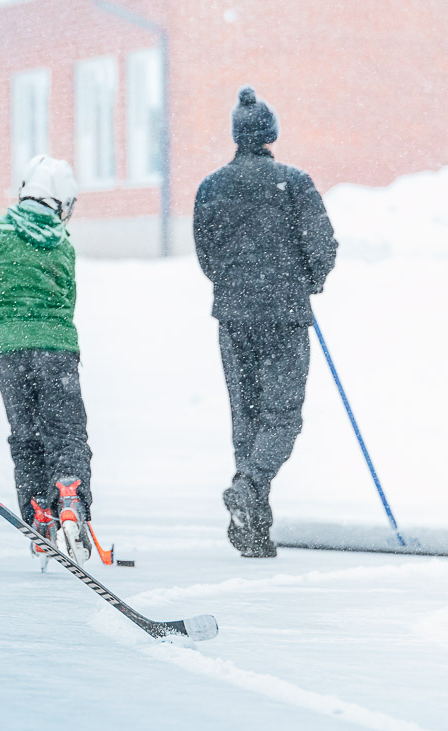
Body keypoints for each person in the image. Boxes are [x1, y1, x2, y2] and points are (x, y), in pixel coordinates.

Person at [193, 86, 338, 557]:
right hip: (283, 314)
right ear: (271, 134)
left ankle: (252, 530)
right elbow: (323, 243)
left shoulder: (211, 187)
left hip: (234, 316)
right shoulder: (293, 182)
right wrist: (307, 281)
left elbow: (206, 254)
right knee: (282, 417)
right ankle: (251, 487)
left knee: (247, 418)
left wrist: (236, 284)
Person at [0, 154, 96, 567]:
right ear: (63, 203)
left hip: (8, 350)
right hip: (58, 349)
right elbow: (68, 298)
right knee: (66, 433)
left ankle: (38, 515)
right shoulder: (62, 243)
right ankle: (69, 495)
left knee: (26, 434)